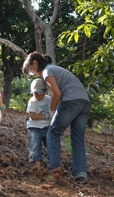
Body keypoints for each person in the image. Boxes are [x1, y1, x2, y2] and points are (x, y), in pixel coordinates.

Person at [22, 52, 91, 181]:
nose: (32, 73)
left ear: (35, 63)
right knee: (78, 140)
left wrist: (52, 110)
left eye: (30, 70)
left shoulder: (47, 72)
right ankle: (80, 173)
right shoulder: (55, 69)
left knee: (53, 132)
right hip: (85, 102)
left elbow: (57, 94)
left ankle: (55, 168)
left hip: (71, 101)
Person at [26, 78, 52, 168]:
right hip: (34, 127)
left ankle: (53, 164)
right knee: (35, 145)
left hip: (47, 127)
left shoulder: (49, 99)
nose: (36, 95)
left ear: (45, 91)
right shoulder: (32, 101)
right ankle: (37, 166)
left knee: (51, 144)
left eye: (39, 92)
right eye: (35, 93)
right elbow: (32, 116)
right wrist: (46, 116)